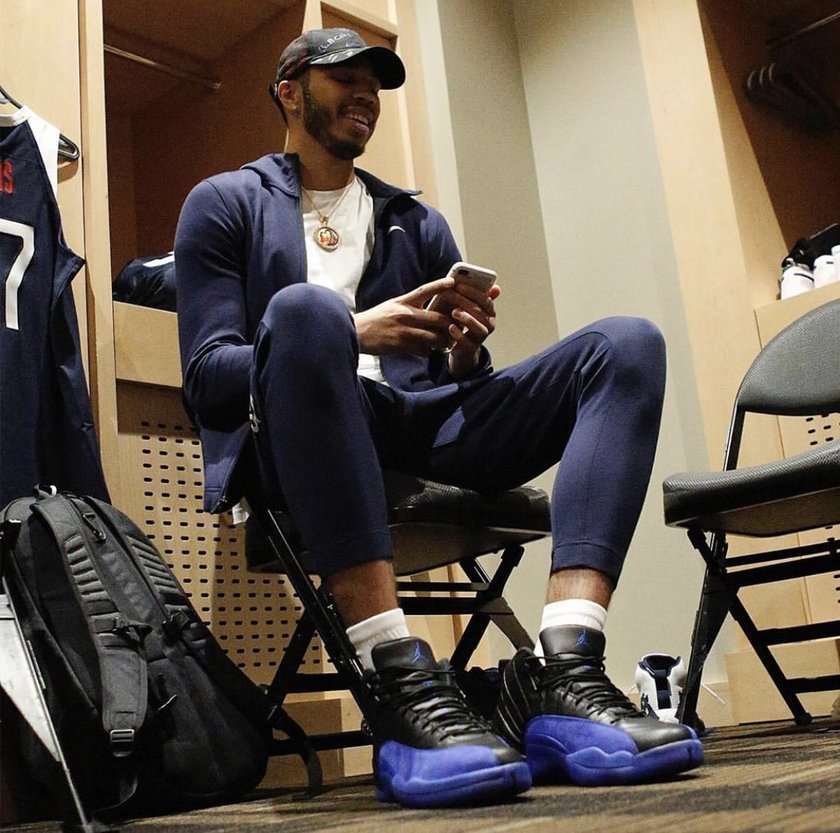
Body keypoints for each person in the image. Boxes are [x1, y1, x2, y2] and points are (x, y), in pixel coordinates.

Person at [174, 27, 704, 809]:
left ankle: (567, 662)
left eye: (375, 81)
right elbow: (207, 379)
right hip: (305, 432)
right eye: (343, 77)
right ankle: (395, 676)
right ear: (289, 91)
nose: (365, 93)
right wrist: (353, 330)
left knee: (627, 344)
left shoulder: (413, 220)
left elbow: (466, 384)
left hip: (423, 422)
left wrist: (463, 349)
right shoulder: (225, 203)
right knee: (307, 312)